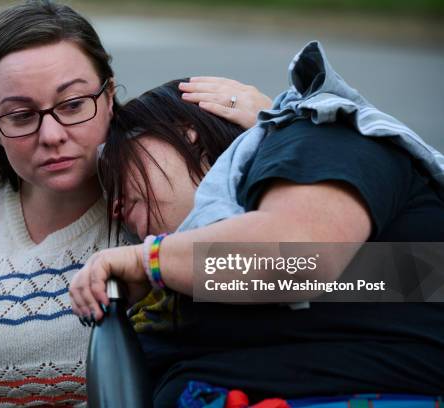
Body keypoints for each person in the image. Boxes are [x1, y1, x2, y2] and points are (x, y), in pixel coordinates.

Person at [0, 1, 270, 406]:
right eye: (21, 115)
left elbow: (307, 273)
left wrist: (281, 129)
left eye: (73, 104)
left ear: (109, 96)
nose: (52, 134)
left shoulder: (156, 200)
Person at [69, 64, 444, 405]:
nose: (114, 205)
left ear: (187, 133)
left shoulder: (322, 135)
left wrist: (149, 260)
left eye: (118, 169)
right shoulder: (175, 285)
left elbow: (298, 259)